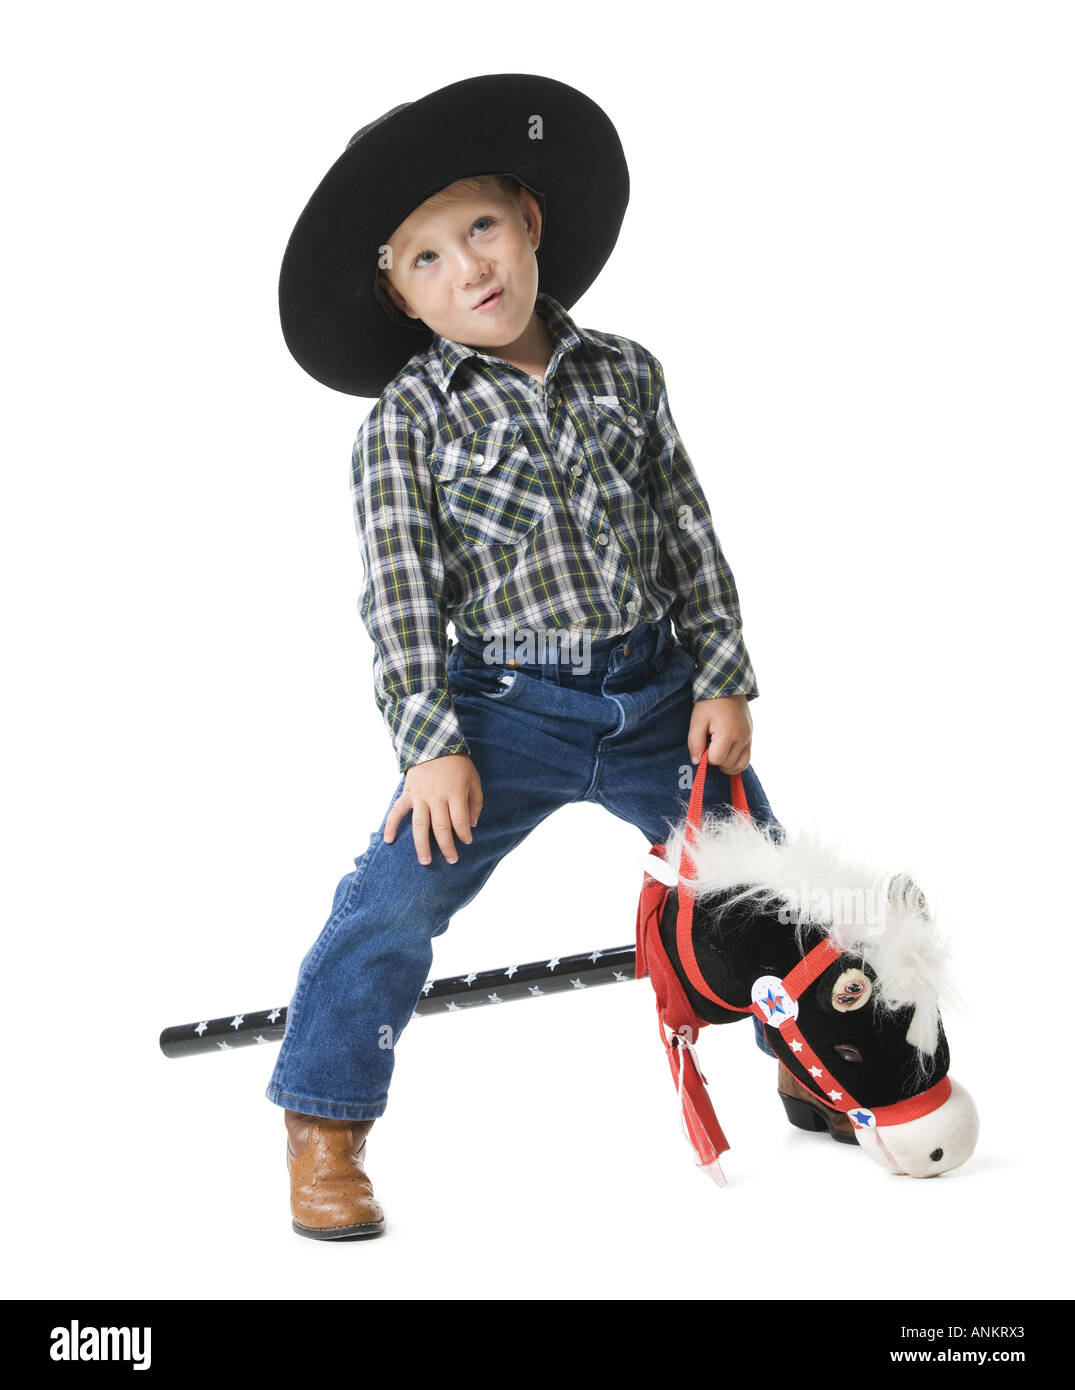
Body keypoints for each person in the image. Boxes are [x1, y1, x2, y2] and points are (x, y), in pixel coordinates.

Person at [268, 73, 783, 1241]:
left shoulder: (627, 373)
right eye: (428, 260)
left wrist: (721, 673)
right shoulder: (405, 423)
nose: (472, 270)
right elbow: (398, 597)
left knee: (764, 881)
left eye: (482, 228)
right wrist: (431, 748)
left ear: (530, 219)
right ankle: (326, 1116)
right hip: (503, 712)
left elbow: (686, 530)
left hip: (657, 696)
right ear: (399, 297)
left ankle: (809, 1052)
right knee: (391, 902)